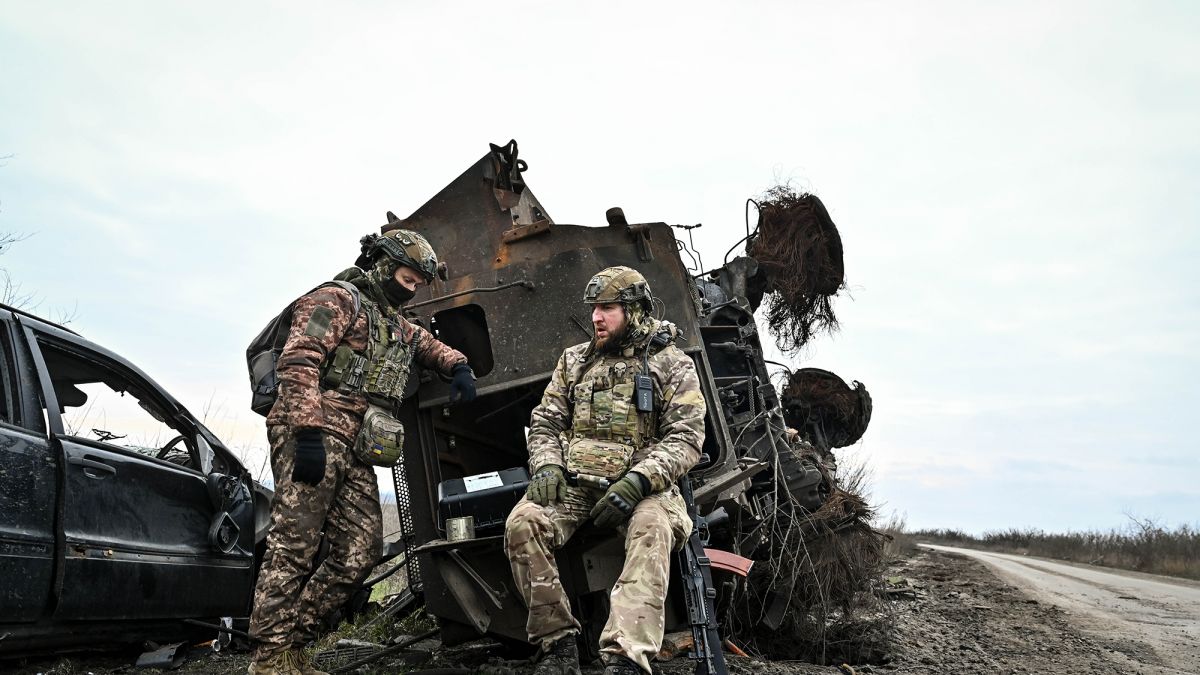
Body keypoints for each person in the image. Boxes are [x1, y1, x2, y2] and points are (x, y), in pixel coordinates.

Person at [248, 229, 476, 675]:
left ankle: (292, 643)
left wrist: (459, 365)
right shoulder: (336, 300)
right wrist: (306, 432)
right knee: (293, 544)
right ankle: (268, 659)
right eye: (407, 280)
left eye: (416, 286)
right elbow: (298, 361)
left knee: (360, 548)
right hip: (313, 432)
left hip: (357, 443)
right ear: (384, 266)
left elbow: (426, 345)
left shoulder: (391, 320)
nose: (410, 291)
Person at [504, 266, 707, 675]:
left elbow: (686, 438)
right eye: (594, 308)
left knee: (653, 529)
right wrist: (547, 465)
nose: (596, 316)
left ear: (635, 310)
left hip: (643, 487)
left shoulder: (672, 364)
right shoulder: (574, 361)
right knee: (523, 523)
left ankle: (625, 656)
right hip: (576, 483)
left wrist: (638, 481)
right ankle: (558, 643)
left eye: (608, 308)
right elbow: (545, 422)